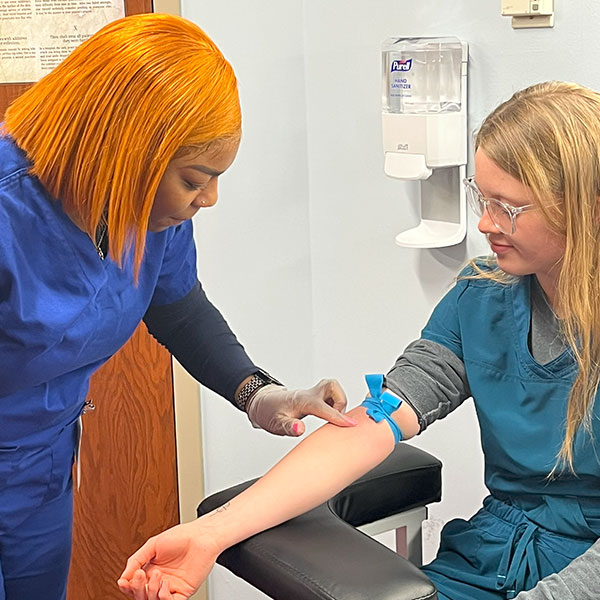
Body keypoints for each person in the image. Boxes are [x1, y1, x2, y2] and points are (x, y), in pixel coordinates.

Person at [118, 81, 600, 600]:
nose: (485, 223)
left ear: (587, 207)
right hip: (489, 559)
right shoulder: (482, 295)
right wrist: (209, 535)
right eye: (482, 198)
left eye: (508, 208)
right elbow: (374, 422)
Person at [0, 13, 358, 600]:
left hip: (39, 477)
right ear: (127, 153)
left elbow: (179, 309)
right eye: (196, 179)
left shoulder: (147, 216)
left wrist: (258, 392)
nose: (209, 199)